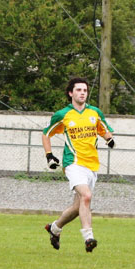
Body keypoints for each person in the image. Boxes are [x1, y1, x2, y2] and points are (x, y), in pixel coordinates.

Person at [42, 77, 114, 253]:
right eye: (79, 90)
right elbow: (46, 134)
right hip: (73, 163)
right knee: (86, 196)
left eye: (85, 90)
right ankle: (88, 237)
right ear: (71, 93)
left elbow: (104, 129)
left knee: (77, 207)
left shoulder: (95, 112)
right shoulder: (63, 115)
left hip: (92, 165)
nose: (82, 93)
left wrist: (109, 139)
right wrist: (49, 156)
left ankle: (55, 228)